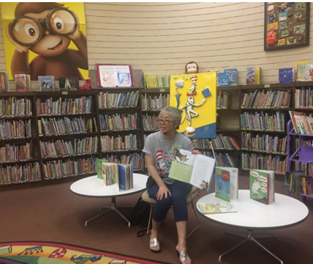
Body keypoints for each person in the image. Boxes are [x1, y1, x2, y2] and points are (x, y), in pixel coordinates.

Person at [142, 106, 200, 264]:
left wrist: (197, 158)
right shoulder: (152, 139)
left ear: (176, 124)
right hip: (157, 179)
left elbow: (190, 168)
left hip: (179, 180)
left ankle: (182, 244)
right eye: (160, 120)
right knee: (164, 198)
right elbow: (151, 166)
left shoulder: (184, 141)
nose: (162, 123)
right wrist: (161, 185)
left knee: (178, 198)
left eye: (166, 121)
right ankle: (154, 232)